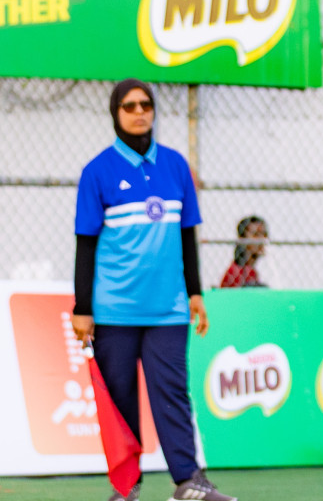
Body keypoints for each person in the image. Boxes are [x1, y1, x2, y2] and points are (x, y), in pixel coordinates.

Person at [71, 79, 236, 501]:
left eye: (146, 104)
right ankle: (126, 488)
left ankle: (189, 482)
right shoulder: (97, 171)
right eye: (130, 106)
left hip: (169, 309)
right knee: (122, 401)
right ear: (116, 114)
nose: (140, 112)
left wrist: (196, 293)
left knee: (172, 396)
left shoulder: (177, 167)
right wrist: (82, 308)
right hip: (114, 311)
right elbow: (85, 244)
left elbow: (187, 236)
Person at [219, 215, 267, 288]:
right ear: (243, 239)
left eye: (264, 235)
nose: (261, 240)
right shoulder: (238, 272)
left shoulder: (249, 270)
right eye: (256, 235)